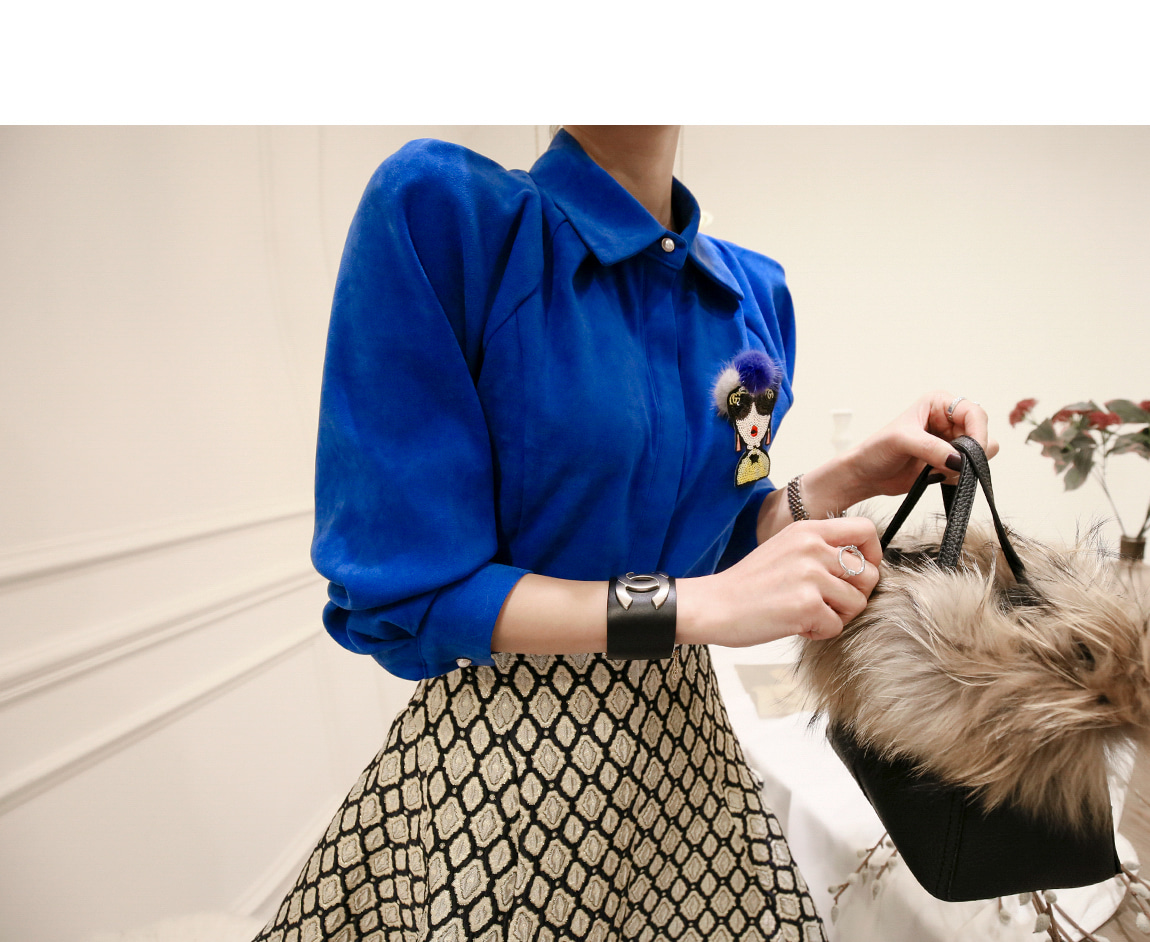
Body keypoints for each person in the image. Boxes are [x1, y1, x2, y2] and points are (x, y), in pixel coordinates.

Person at [252, 126, 994, 942]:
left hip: (687, 757)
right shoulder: (453, 218)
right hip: (511, 767)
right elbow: (414, 590)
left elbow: (716, 539)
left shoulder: (751, 296)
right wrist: (700, 607)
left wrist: (851, 475)